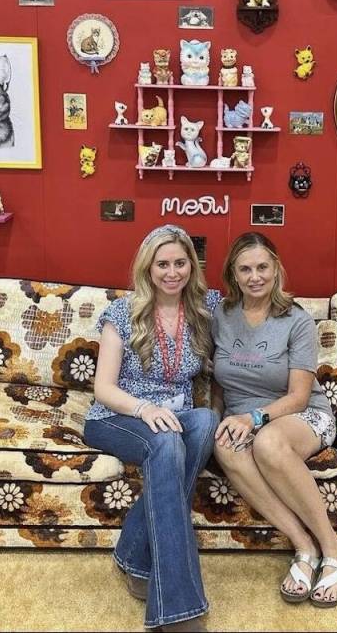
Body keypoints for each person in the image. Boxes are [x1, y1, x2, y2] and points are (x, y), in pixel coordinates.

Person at [84, 224, 220, 632]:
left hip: (174, 418)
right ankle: (178, 608)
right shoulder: (122, 314)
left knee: (207, 420)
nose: (172, 272)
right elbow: (103, 388)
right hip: (118, 417)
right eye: (163, 264)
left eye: (181, 263)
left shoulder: (206, 307)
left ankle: (133, 555)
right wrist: (143, 408)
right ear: (148, 267)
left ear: (192, 267)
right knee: (166, 442)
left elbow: (254, 316)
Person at [211, 232, 337, 608]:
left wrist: (254, 417)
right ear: (233, 275)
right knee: (225, 444)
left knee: (268, 442)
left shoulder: (296, 320)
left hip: (300, 415)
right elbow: (217, 382)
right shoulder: (220, 316)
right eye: (245, 269)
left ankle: (334, 550)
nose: (254, 276)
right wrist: (219, 417)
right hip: (242, 416)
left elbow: (298, 396)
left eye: (262, 267)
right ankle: (303, 548)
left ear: (275, 269)